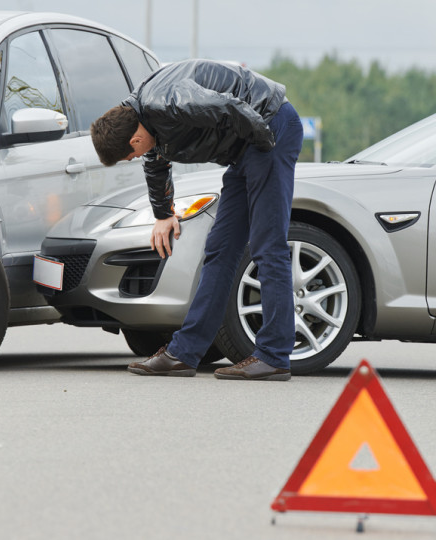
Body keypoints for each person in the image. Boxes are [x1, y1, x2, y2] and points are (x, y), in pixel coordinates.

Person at [91, 59, 303, 381]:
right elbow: (156, 161)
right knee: (219, 248)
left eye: (129, 156)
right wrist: (163, 214)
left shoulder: (170, 102)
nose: (134, 158)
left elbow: (230, 108)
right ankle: (184, 354)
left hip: (269, 130)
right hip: (247, 149)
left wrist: (264, 150)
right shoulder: (142, 116)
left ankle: (274, 356)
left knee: (267, 245)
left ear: (133, 140)